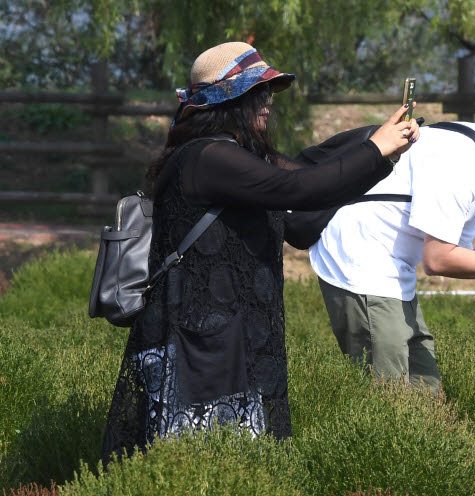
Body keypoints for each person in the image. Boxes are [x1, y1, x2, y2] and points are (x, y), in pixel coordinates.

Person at [100, 41, 420, 461]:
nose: (268, 102)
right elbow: (300, 188)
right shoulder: (208, 157)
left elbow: (305, 213)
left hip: (229, 347)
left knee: (239, 467)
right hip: (198, 350)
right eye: (257, 92)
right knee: (201, 469)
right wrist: (374, 149)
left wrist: (380, 151)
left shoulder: (238, 158)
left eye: (268, 92)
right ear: (227, 101)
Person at [309, 121, 475, 392]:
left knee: (426, 391)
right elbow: (438, 260)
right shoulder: (461, 162)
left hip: (393, 275)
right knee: (388, 397)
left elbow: (459, 257)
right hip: (362, 265)